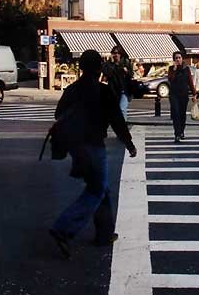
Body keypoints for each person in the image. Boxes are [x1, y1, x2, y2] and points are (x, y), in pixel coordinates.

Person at [49, 50, 137, 259]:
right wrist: (129, 144)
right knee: (97, 189)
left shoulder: (72, 90)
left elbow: (58, 114)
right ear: (99, 69)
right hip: (94, 145)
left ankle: (104, 234)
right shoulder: (103, 91)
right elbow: (117, 120)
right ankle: (64, 228)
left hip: (75, 146)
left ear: (81, 68)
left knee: (101, 187)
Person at [168, 51, 196, 143]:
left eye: (179, 58)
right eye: (176, 58)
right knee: (176, 114)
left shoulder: (186, 69)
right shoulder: (171, 69)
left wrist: (194, 94)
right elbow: (170, 80)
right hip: (174, 94)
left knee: (182, 114)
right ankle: (177, 134)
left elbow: (190, 81)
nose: (178, 59)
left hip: (183, 94)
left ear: (182, 59)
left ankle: (181, 131)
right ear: (174, 60)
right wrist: (174, 70)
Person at [102, 45, 134, 120]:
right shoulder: (109, 64)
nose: (116, 55)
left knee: (122, 109)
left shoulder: (125, 62)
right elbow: (107, 73)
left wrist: (127, 71)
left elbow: (131, 74)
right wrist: (111, 63)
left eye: (117, 53)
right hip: (113, 90)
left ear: (120, 54)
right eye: (114, 53)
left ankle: (123, 124)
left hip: (124, 90)